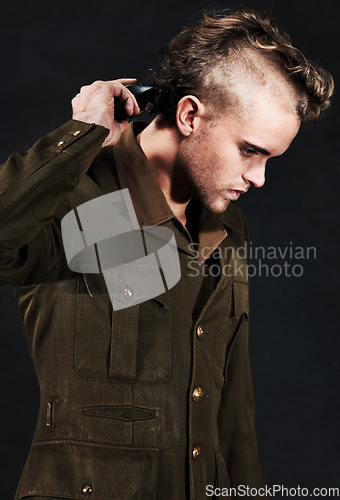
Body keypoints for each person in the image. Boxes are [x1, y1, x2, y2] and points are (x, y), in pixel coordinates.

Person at [0, 8, 333, 500]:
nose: (259, 178)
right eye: (250, 151)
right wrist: (80, 135)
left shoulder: (227, 230)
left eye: (269, 159)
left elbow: (233, 420)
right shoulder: (80, 199)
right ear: (190, 115)